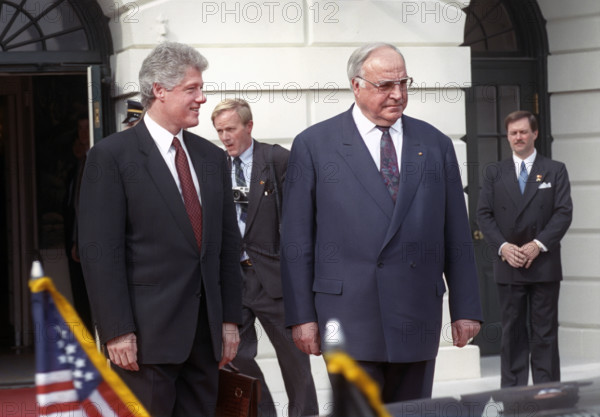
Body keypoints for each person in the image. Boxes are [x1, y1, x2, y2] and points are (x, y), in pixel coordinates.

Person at [280, 42, 483, 403]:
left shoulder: (435, 144)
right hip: (346, 317)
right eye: (385, 86)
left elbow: (456, 233)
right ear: (356, 85)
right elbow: (296, 240)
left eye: (404, 83)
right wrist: (302, 317)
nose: (398, 94)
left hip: (416, 314)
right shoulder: (314, 146)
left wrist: (466, 308)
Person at [78, 42, 242, 416]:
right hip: (145, 339)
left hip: (206, 339)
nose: (202, 98)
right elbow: (100, 251)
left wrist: (230, 322)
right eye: (192, 89)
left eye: (201, 88)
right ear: (159, 90)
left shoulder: (212, 157)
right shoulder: (111, 156)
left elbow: (227, 249)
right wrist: (117, 330)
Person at [212, 99, 319, 417]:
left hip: (274, 279)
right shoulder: (214, 165)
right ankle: (264, 413)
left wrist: (301, 276)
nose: (225, 137)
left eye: (230, 129)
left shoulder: (277, 159)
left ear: (249, 126)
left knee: (295, 362)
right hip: (235, 280)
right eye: (219, 131)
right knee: (234, 356)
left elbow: (300, 220)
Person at [477, 110, 573, 387]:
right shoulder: (494, 172)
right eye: (513, 133)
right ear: (508, 137)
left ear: (535, 134)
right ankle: (513, 397)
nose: (518, 137)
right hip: (509, 265)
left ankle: (547, 393)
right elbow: (483, 214)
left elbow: (563, 213)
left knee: (544, 334)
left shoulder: (555, 169)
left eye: (523, 132)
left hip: (543, 264)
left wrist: (538, 245)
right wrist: (504, 247)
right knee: (513, 334)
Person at [63, 114, 92, 331]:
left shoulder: (97, 162)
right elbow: (75, 207)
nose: (82, 133)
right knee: (81, 296)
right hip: (77, 243)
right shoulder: (79, 166)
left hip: (91, 243)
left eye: (86, 127)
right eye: (79, 128)